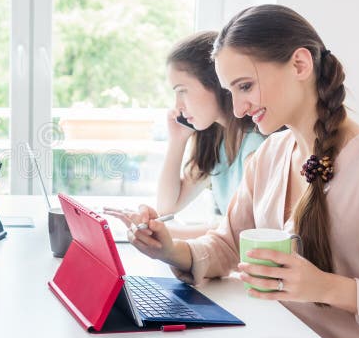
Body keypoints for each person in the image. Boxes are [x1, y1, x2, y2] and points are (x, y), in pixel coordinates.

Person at [122, 4, 359, 338]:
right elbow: (228, 245)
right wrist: (169, 250)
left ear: (300, 65)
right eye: (230, 92)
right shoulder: (271, 155)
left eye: (245, 86)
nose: (239, 109)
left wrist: (327, 287)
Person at [105, 32, 265, 237]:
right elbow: (167, 206)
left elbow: (241, 230)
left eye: (182, 91)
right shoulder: (217, 140)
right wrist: (177, 140)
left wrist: (163, 232)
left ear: (217, 83)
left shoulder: (256, 146)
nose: (177, 106)